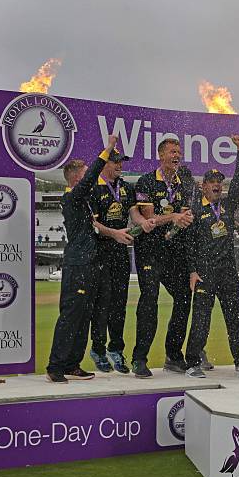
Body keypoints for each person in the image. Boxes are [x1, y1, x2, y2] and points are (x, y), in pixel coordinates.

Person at [46, 135, 123, 383]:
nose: (92, 177)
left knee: (84, 316)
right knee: (71, 316)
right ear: (78, 179)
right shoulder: (72, 197)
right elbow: (92, 178)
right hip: (78, 265)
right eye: (87, 174)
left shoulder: (86, 202)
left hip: (91, 264)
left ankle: (72, 364)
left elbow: (96, 227)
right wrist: (107, 150)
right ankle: (55, 366)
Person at [184, 135, 239, 377]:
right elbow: (189, 244)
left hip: (228, 273)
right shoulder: (195, 210)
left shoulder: (227, 206)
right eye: (212, 181)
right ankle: (192, 362)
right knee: (201, 320)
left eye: (219, 182)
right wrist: (192, 270)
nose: (216, 185)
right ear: (203, 186)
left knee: (235, 319)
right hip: (204, 273)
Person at [88, 149, 156, 374]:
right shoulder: (93, 187)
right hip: (99, 252)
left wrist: (143, 222)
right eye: (115, 161)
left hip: (120, 253)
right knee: (102, 304)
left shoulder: (126, 187)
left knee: (119, 304)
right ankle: (98, 349)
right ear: (105, 162)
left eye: (121, 162)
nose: (119, 165)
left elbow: (133, 213)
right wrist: (114, 233)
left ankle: (116, 349)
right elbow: (92, 224)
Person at [132, 138, 194, 378]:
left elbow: (185, 215)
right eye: (172, 152)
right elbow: (150, 218)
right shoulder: (147, 181)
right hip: (150, 250)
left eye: (179, 152)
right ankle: (139, 358)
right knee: (150, 299)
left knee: (184, 297)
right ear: (161, 155)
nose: (176, 155)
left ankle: (173, 354)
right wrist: (174, 218)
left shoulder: (185, 183)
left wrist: (184, 219)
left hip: (174, 252)